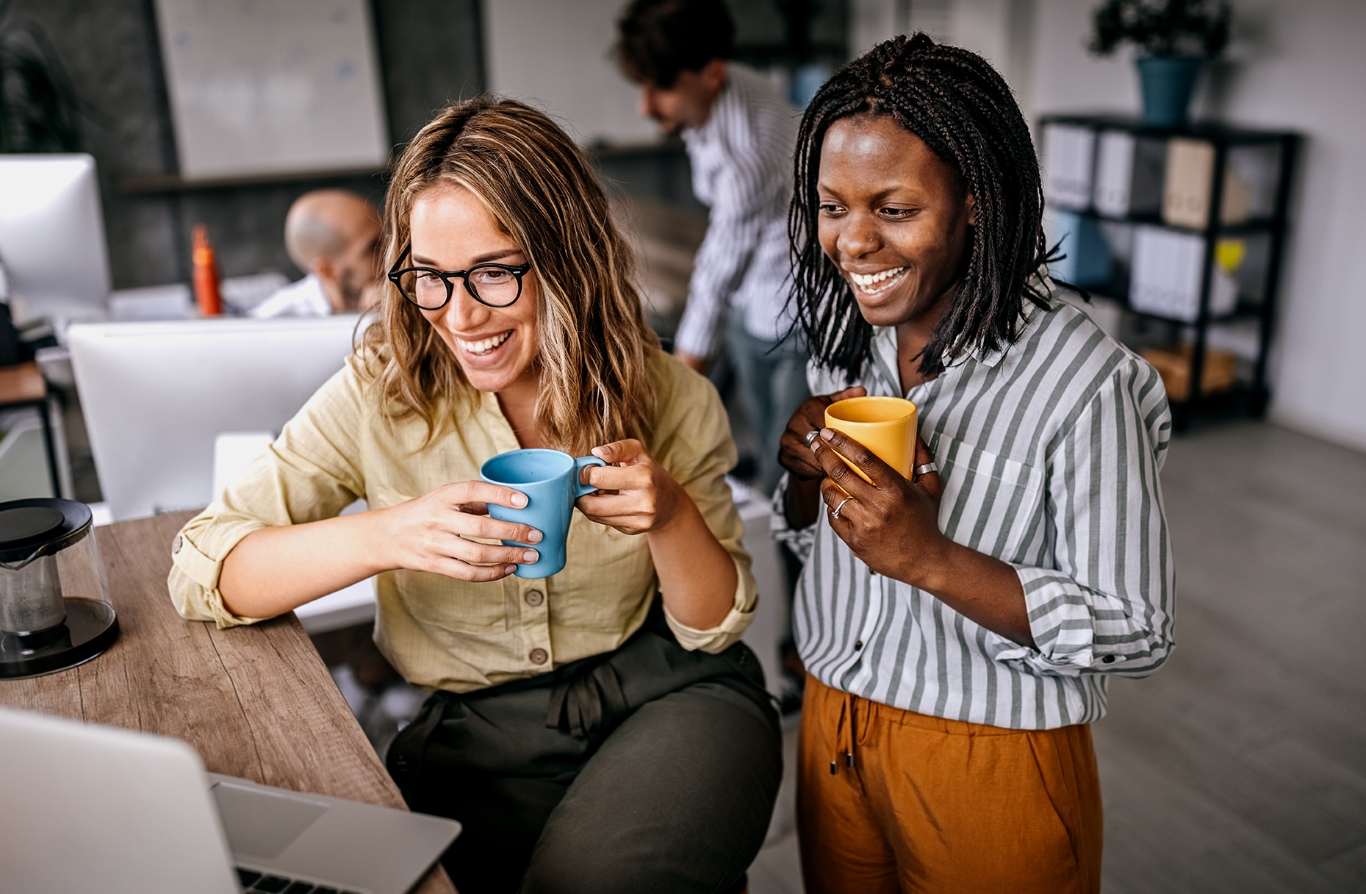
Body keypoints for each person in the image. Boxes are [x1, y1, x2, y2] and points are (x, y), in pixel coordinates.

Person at [168, 98, 781, 894]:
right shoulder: (379, 395)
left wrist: (670, 515)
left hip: (672, 696)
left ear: (566, 259)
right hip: (475, 737)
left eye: (493, 273)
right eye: (429, 276)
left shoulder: (669, 395)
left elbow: (712, 629)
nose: (458, 317)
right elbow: (199, 564)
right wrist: (386, 537)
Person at [772, 34, 1175, 894]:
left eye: (894, 208)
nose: (853, 244)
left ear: (975, 203)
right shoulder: (848, 340)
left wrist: (934, 561)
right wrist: (805, 483)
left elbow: (1136, 625)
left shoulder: (1085, 384)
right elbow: (819, 549)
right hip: (832, 724)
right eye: (832, 206)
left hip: (990, 753)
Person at [614, 0, 809, 493]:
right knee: (766, 446)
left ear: (712, 73)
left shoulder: (751, 151)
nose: (645, 106)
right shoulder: (720, 90)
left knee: (792, 462)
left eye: (660, 89)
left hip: (799, 317)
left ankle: (788, 548)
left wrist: (678, 382)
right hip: (753, 300)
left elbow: (718, 271)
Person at [252, 189, 383, 317]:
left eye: (389, 237)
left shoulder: (393, 296)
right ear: (327, 270)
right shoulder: (272, 326)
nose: (391, 252)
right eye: (374, 248)